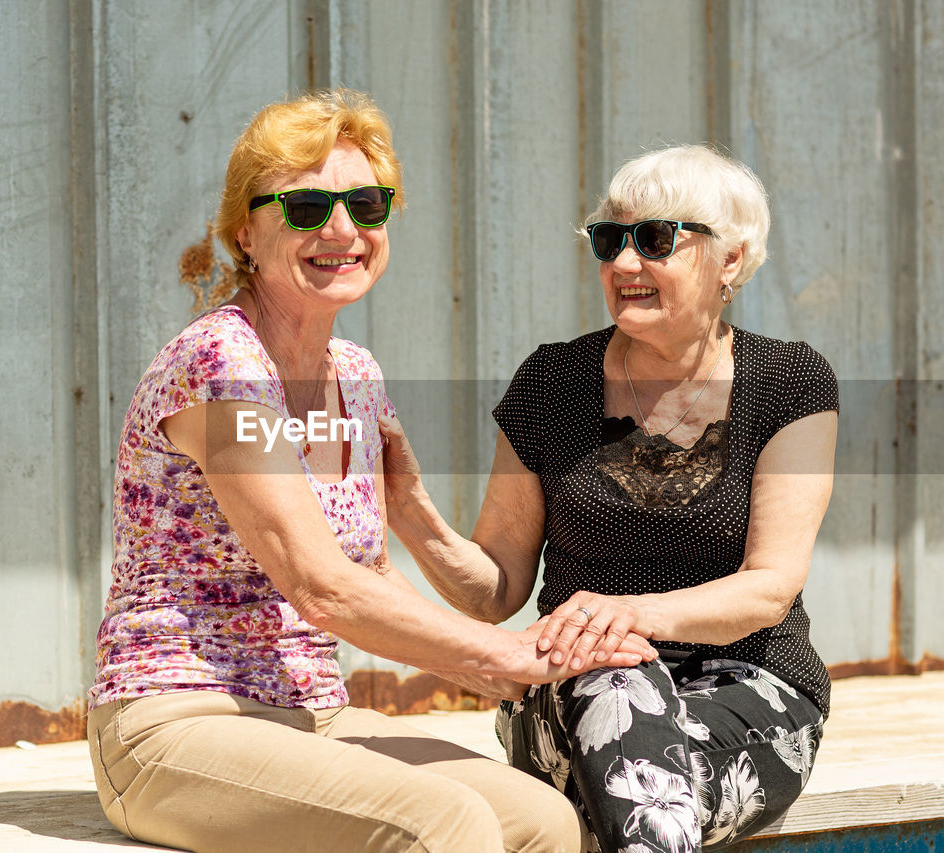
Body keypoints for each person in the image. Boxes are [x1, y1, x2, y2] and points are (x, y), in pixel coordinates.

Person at [85, 88, 656, 853]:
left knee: (544, 821)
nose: (343, 229)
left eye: (366, 202)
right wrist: (504, 655)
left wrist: (516, 650)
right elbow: (318, 581)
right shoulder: (221, 362)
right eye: (305, 208)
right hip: (176, 721)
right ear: (245, 232)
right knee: (442, 825)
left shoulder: (351, 374)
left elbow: (367, 571)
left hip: (313, 713)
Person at [381, 144, 838, 851]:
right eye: (609, 240)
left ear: (732, 261)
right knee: (616, 682)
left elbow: (768, 588)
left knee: (630, 734)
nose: (625, 265)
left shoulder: (786, 382)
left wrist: (624, 613)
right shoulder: (551, 382)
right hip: (572, 696)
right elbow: (496, 587)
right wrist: (410, 510)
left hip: (746, 693)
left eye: (654, 240)